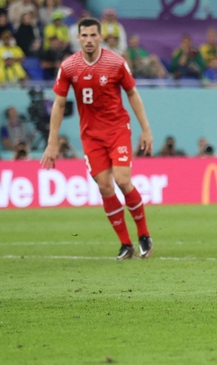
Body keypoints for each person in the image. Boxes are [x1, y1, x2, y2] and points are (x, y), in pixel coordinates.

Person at [42, 17, 155, 259]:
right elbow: (59, 105)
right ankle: (126, 244)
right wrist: (52, 142)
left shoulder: (115, 63)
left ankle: (144, 234)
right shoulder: (69, 67)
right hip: (91, 136)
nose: (89, 40)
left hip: (117, 130)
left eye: (94, 35)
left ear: (100, 37)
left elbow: (132, 94)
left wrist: (145, 128)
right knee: (105, 187)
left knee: (123, 181)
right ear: (78, 38)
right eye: (85, 36)